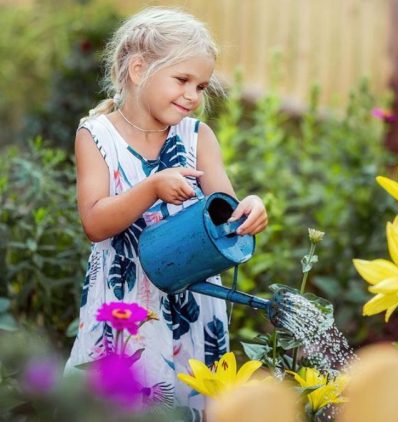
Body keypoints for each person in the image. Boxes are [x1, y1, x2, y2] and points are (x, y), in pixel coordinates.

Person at [64, 6, 268, 415]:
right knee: (127, 405)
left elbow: (226, 216)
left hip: (193, 304)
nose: (193, 95)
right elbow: (94, 222)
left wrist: (250, 210)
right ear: (138, 69)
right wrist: (152, 187)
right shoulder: (96, 135)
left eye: (202, 85)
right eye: (182, 80)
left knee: (187, 402)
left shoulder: (197, 138)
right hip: (128, 302)